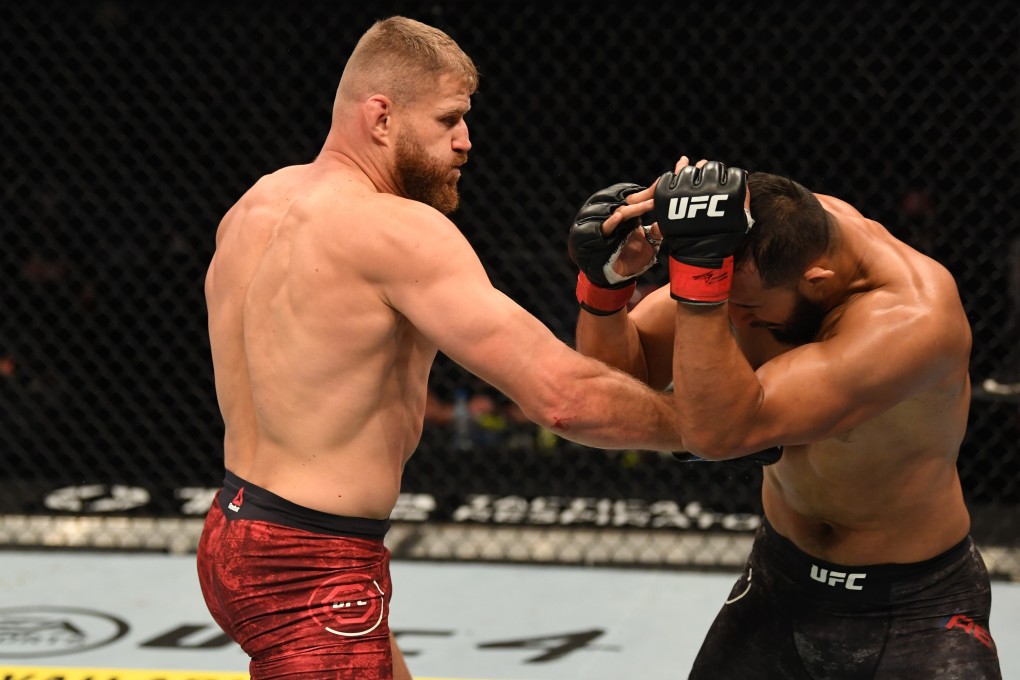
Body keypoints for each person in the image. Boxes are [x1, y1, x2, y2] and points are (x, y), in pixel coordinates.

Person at [197, 16, 685, 679]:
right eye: (448, 120)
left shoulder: (255, 206)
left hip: (237, 524)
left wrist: (609, 286)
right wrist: (710, 428)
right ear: (382, 117)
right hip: (312, 563)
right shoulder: (397, 231)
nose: (466, 141)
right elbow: (563, 399)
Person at [569, 157, 1002, 678]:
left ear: (817, 281)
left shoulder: (912, 319)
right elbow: (616, 378)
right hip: (779, 580)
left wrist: (702, 289)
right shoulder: (763, 254)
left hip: (915, 606)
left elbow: (721, 433)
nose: (732, 317)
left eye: (745, 309)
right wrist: (606, 287)